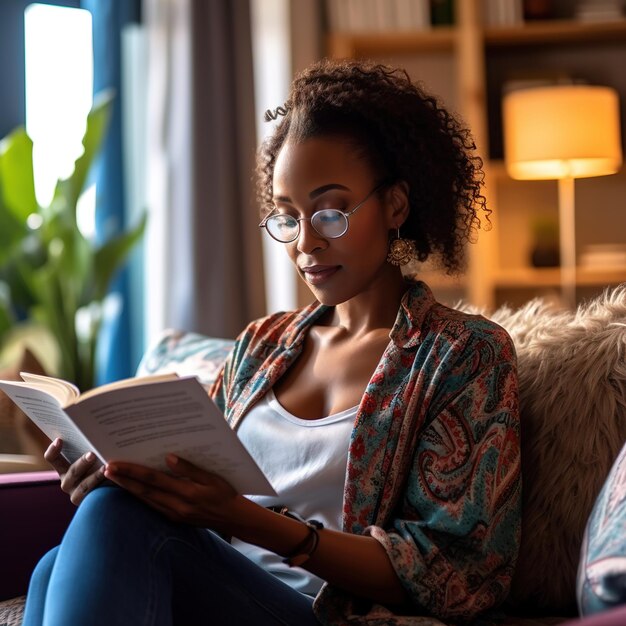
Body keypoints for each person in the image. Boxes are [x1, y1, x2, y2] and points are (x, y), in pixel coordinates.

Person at [23, 59, 521, 626]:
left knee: (109, 525)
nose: (306, 242)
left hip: (324, 613)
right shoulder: (261, 346)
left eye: (331, 212)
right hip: (224, 594)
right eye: (288, 217)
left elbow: (458, 574)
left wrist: (254, 521)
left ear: (396, 206)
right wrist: (126, 476)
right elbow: (198, 498)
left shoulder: (461, 354)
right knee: (65, 552)